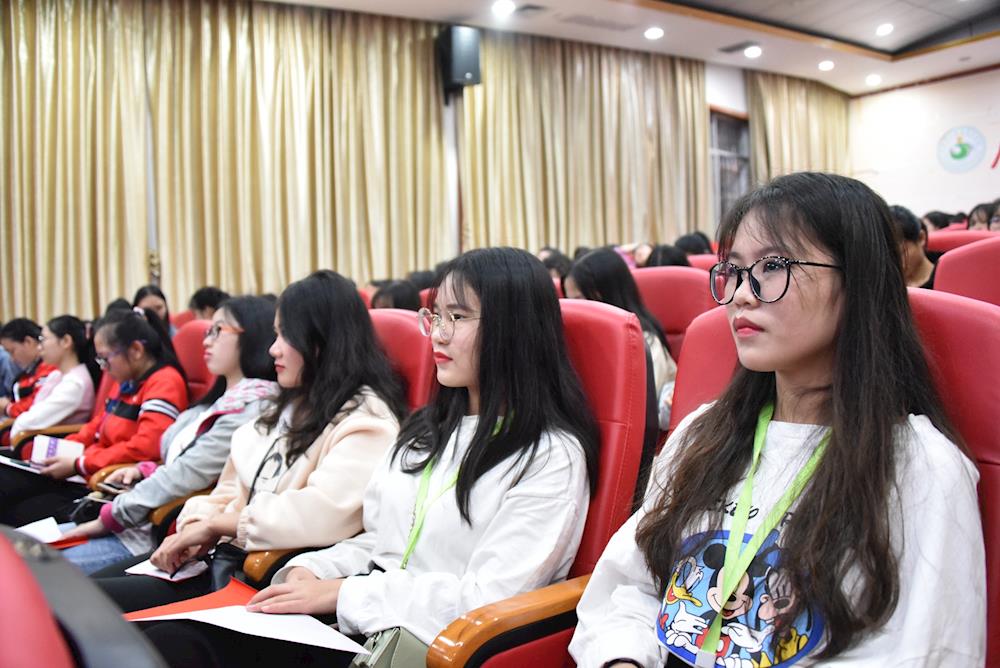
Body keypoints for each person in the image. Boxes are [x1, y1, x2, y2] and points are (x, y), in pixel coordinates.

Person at [569, 172, 984, 667]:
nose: (741, 295)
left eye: (773, 266)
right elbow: (629, 588)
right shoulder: (702, 434)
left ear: (857, 281)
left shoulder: (919, 467)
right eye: (734, 270)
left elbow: (922, 653)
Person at [136, 247, 601, 668]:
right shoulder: (426, 431)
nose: (437, 335)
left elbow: (487, 599)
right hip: (365, 625)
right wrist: (316, 569)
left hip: (428, 646)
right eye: (435, 316)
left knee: (181, 647)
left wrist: (343, 592)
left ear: (514, 329)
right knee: (170, 640)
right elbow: (381, 544)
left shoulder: (549, 456)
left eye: (457, 318)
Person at [94, 270, 406, 613]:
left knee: (98, 611)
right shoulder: (290, 404)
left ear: (322, 341)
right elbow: (230, 487)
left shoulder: (367, 420)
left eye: (286, 335)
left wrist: (218, 525)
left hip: (264, 579)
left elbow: (319, 512)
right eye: (275, 334)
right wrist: (197, 523)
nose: (273, 349)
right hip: (220, 560)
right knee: (85, 595)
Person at [59, 297, 278, 574]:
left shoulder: (253, 408)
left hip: (154, 533)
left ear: (254, 335)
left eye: (217, 331)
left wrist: (108, 517)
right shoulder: (220, 400)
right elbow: (182, 460)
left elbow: (188, 473)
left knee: (41, 569)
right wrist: (145, 470)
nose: (206, 341)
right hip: (138, 514)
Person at [0, 308, 189, 526]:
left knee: (18, 513)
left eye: (105, 359)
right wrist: (65, 449)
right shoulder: (128, 380)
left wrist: (81, 463)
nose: (104, 369)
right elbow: (98, 424)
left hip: (105, 482)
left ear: (136, 350)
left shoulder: (164, 382)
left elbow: (147, 447)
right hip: (86, 469)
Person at [564, 248, 676, 401]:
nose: (572, 310)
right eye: (568, 301)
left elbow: (636, 405)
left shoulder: (645, 344)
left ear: (605, 295)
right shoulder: (579, 341)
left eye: (578, 300)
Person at [9, 316, 98, 439]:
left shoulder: (75, 384)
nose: (39, 347)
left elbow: (29, 422)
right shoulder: (57, 375)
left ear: (66, 341)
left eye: (43, 339)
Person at [0, 318, 57, 420]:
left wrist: (7, 407)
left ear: (28, 342)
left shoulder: (50, 367)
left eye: (12, 351)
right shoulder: (30, 370)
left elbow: (36, 407)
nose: (12, 359)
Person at [888, 205, 937, 288]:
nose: (894, 264)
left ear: (921, 238)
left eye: (900, 254)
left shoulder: (945, 280)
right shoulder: (888, 286)